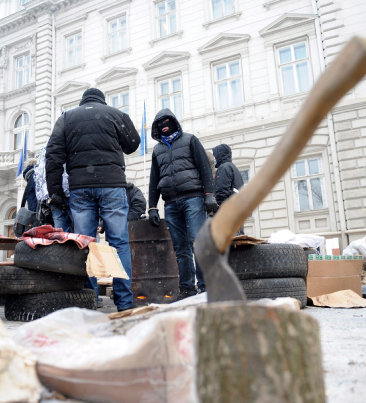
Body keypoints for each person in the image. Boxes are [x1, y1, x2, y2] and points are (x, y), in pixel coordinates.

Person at [45, 87, 140, 312]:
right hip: (112, 185)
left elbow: (53, 156)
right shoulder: (115, 114)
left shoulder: (67, 118)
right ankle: (124, 302)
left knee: (85, 245)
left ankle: (90, 300)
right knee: (119, 243)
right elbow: (133, 144)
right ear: (102, 100)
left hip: (81, 188)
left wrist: (56, 192)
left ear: (82, 101)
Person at [147, 108, 218, 300]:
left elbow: (205, 167)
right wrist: (152, 206)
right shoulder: (158, 150)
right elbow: (154, 180)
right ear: (156, 128)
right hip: (170, 203)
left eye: (167, 121)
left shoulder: (190, 140)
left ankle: (204, 287)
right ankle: (187, 288)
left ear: (174, 121)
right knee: (180, 249)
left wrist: (209, 194)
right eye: (160, 124)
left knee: (197, 243)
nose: (164, 126)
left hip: (193, 199)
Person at [34, 146, 72, 232]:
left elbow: (39, 177)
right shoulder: (69, 142)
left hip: (53, 195)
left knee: (60, 232)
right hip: (70, 192)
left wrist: (43, 198)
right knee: (83, 231)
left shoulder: (44, 150)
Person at [212, 143, 244, 235]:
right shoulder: (233, 168)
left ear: (219, 155)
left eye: (215, 155)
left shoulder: (224, 168)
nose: (214, 159)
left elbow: (221, 192)